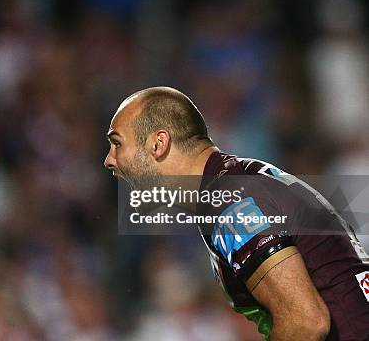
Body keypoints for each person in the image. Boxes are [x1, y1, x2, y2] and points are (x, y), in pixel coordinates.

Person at [104, 87, 369, 341]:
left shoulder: (230, 201)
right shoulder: (232, 186)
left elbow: (306, 323)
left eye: (117, 144)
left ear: (158, 143)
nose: (109, 160)